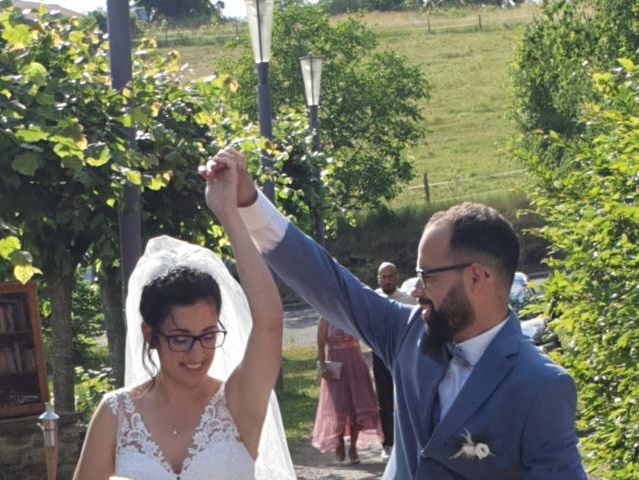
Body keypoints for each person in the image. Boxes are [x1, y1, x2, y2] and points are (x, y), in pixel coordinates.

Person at [199, 148, 587, 480]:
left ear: (476, 277)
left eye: (427, 276)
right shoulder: (408, 333)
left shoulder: (540, 387)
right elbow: (327, 281)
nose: (416, 289)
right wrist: (248, 202)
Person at [74, 156, 295, 479]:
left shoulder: (237, 403)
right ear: (149, 334)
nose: (198, 353)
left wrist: (229, 214)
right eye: (180, 338)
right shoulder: (115, 414)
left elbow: (269, 323)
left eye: (207, 335)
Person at [312, 317, 380, 464]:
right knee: (339, 407)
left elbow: (368, 335)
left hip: (356, 364)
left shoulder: (351, 315)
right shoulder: (325, 318)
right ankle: (339, 441)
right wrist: (323, 367)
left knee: (357, 407)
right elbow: (320, 343)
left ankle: (353, 448)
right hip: (336, 366)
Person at [374, 262, 417, 462]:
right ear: (378, 279)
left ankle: (409, 440)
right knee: (384, 400)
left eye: (390, 276)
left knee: (405, 397)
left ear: (397, 277)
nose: (387, 280)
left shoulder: (408, 301)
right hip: (381, 355)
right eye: (384, 277)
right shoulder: (372, 298)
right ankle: (388, 443)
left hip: (403, 354)